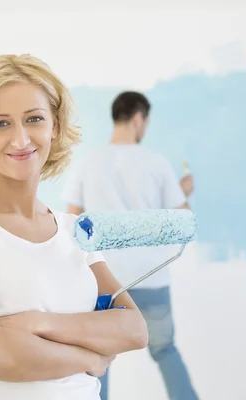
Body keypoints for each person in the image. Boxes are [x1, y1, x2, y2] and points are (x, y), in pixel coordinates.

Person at [0, 55, 149, 400]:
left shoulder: (77, 229)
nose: (20, 139)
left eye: (34, 119)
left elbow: (134, 329)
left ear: (54, 127)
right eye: (0, 124)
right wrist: (91, 357)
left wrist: (37, 324)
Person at [61, 91, 198, 400]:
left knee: (99, 360)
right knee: (165, 350)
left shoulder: (88, 162)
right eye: (145, 121)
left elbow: (71, 220)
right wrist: (183, 191)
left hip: (105, 281)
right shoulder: (157, 163)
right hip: (153, 278)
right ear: (138, 119)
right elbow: (182, 221)